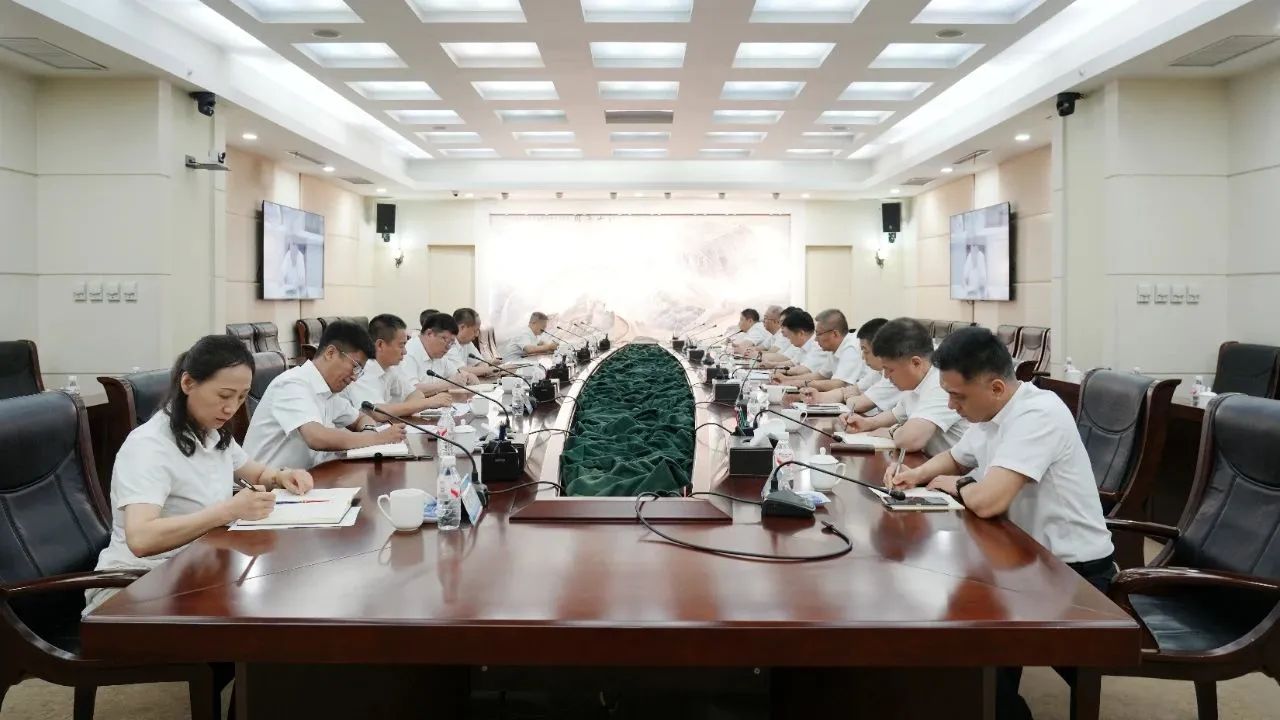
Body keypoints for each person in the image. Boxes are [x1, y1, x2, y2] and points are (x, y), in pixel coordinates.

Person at [885, 327, 1115, 720]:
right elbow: (957, 458)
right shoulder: (992, 410)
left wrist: (958, 485)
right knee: (939, 605)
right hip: (1021, 556)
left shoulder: (1038, 414)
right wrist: (915, 475)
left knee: (962, 637)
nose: (952, 406)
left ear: (995, 387)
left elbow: (989, 501)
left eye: (958, 396)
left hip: (1071, 574)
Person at [85, 335, 316, 614]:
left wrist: (281, 476)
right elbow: (141, 539)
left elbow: (256, 474)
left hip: (194, 568)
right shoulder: (149, 446)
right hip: (134, 586)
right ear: (188, 383)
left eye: (242, 397)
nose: (232, 408)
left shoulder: (210, 432)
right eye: (224, 395)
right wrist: (228, 511)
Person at [244, 320, 405, 469]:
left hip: (306, 479)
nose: (355, 377)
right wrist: (377, 438)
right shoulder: (292, 384)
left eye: (360, 371)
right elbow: (316, 437)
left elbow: (361, 418)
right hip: (268, 486)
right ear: (330, 353)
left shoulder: (328, 391)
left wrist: (369, 430)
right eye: (355, 366)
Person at [841, 317, 968, 456]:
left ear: (915, 363)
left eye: (890, 370)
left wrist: (892, 431)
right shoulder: (916, 381)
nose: (886, 376)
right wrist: (867, 423)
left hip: (956, 469)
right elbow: (897, 414)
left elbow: (910, 440)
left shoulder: (941, 384)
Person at [344, 314, 452, 415]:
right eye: (401, 345)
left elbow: (416, 394)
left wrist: (400, 409)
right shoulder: (364, 369)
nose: (405, 351)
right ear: (380, 345)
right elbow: (376, 413)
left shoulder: (392, 367)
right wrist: (427, 403)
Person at [802, 318, 900, 415]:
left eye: (865, 351)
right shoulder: (878, 371)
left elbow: (857, 405)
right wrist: (818, 396)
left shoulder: (894, 375)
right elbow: (851, 390)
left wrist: (848, 396)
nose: (863, 357)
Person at [781, 309, 863, 391]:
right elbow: (821, 375)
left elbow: (837, 384)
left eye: (819, 334)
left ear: (835, 334)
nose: (815, 339)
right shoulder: (833, 348)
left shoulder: (851, 347)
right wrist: (787, 380)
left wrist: (802, 383)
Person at [403, 311, 478, 393]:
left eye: (451, 343)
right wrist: (449, 384)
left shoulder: (439, 355)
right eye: (445, 340)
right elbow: (411, 391)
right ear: (429, 334)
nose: (448, 347)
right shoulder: (408, 352)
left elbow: (455, 374)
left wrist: (467, 376)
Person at [769, 309, 832, 381]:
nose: (789, 341)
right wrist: (772, 365)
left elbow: (804, 370)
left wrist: (780, 372)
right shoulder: (803, 345)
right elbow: (793, 363)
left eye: (789, 336)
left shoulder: (818, 345)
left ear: (801, 333)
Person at [446, 307, 496, 377]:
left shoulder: (467, 342)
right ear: (462, 327)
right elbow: (461, 370)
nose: (477, 335)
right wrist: (489, 370)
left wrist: (484, 370)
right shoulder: (447, 343)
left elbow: (481, 363)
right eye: (475, 331)